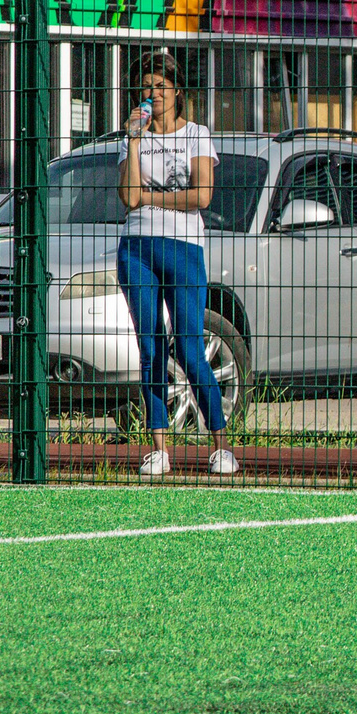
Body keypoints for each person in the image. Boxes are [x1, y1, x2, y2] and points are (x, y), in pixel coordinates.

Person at [115, 48, 235, 478]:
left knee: (188, 346)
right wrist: (133, 140)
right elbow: (128, 197)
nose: (153, 94)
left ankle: (220, 444)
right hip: (137, 249)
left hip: (184, 249)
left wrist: (150, 197)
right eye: (146, 87)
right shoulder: (133, 138)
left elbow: (202, 195)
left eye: (161, 86)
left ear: (177, 90)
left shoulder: (197, 134)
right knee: (150, 347)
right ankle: (159, 448)